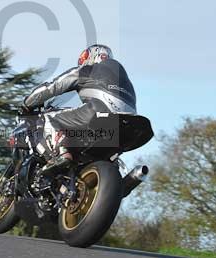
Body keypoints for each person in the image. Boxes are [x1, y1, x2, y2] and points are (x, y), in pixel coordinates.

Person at [20, 44, 136, 174]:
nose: (82, 61)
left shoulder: (87, 70)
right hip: (131, 122)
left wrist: (27, 103)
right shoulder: (123, 79)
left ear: (93, 56)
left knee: (48, 117)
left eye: (84, 57)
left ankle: (61, 153)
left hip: (101, 111)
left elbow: (53, 87)